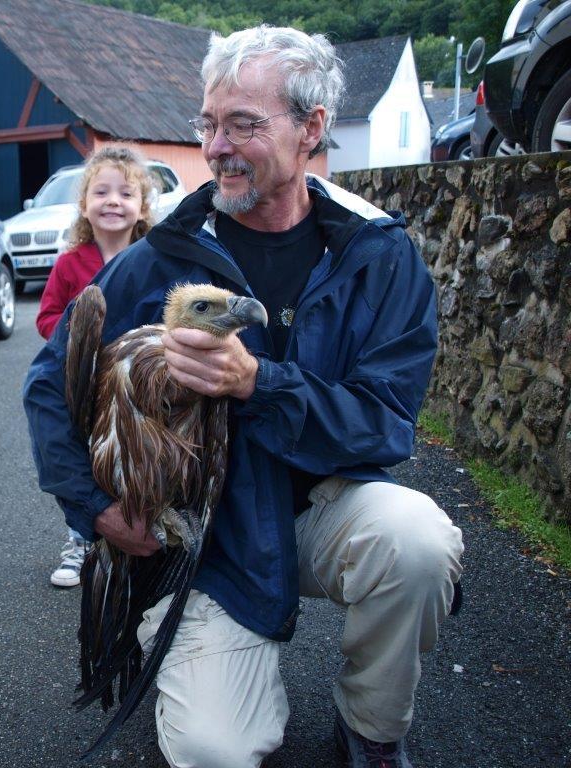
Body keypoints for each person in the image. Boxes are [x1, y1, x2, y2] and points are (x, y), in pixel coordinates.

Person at [23, 25, 464, 768]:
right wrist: (93, 508)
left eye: (244, 124)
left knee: (415, 540)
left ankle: (372, 729)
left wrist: (260, 384)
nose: (218, 145)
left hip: (325, 508)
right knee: (214, 751)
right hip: (210, 541)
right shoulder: (160, 255)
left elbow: (385, 427)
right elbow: (47, 386)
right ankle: (200, 659)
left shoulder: (374, 254)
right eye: (209, 123)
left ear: (312, 128)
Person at [36, 145, 154, 588]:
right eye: (101, 191)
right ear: (85, 204)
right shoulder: (71, 263)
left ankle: (136, 528)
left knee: (130, 455)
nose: (113, 201)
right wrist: (73, 340)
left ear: (142, 206)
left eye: (126, 193)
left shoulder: (149, 258)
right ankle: (79, 538)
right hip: (81, 385)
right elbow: (47, 316)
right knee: (84, 459)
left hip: (133, 385)